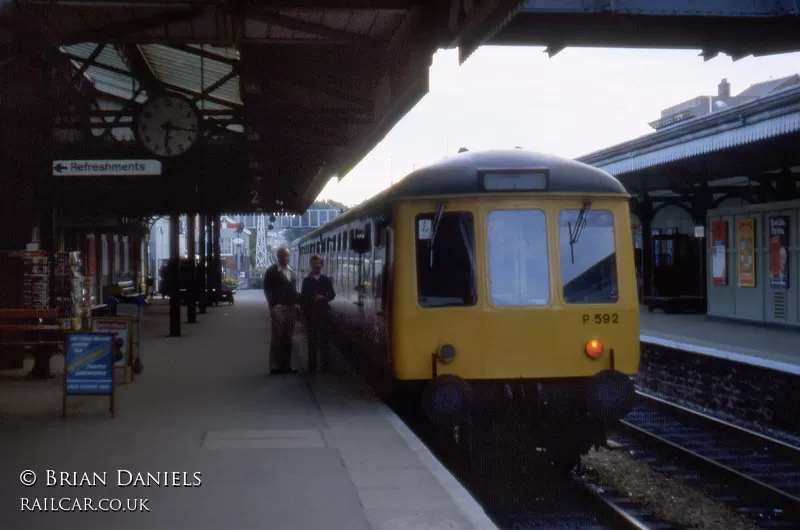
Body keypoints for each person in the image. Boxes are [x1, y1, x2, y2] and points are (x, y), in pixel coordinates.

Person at [263, 248, 299, 375]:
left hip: (290, 308)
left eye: (287, 256)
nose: (286, 259)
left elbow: (293, 291)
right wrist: (272, 306)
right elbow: (267, 290)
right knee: (277, 337)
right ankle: (274, 366)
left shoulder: (292, 272)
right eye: (283, 256)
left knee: (288, 338)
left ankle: (287, 365)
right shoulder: (271, 272)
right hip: (278, 308)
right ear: (278, 257)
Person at [300, 254, 335, 373]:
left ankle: (326, 367)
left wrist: (324, 298)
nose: (316, 265)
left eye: (319, 263)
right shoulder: (306, 280)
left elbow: (332, 295)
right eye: (314, 263)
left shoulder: (326, 280)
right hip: (311, 314)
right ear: (311, 265)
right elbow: (303, 297)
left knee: (324, 340)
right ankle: (312, 367)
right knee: (312, 341)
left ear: (321, 265)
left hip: (323, 313)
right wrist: (305, 311)